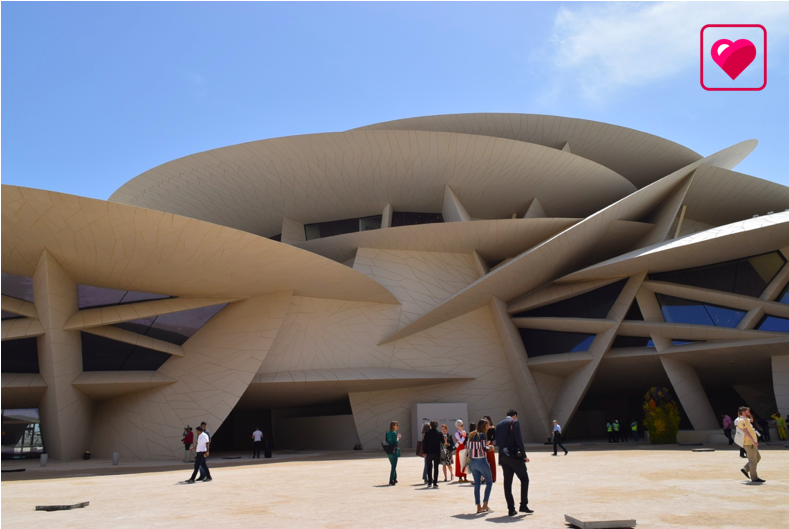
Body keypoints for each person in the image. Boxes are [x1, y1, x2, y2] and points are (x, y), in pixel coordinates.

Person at [495, 409, 532, 516]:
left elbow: (497, 442)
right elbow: (519, 440)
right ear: (515, 416)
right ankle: (523, 505)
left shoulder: (499, 424)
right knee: (524, 479)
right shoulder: (514, 422)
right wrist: (524, 456)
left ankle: (511, 509)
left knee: (507, 483)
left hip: (503, 457)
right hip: (515, 457)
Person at [467, 419, 494, 513]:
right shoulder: (482, 435)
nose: (488, 427)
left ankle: (478, 506)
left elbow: (468, 448)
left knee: (477, 484)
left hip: (473, 462)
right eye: (487, 425)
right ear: (484, 426)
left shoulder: (471, 435)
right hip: (481, 461)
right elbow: (484, 448)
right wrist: (490, 448)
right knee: (489, 483)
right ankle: (485, 504)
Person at [737, 406, 765, 483]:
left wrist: (749, 415)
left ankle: (746, 469)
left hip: (751, 443)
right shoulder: (742, 420)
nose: (749, 412)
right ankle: (754, 478)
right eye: (748, 411)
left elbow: (751, 420)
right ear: (743, 412)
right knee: (753, 460)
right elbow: (745, 431)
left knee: (758, 458)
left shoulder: (746, 419)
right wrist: (753, 440)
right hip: (749, 443)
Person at [423, 420, 443, 488]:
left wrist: (424, 452)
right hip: (436, 452)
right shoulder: (439, 433)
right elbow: (443, 441)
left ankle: (429, 482)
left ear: (430, 426)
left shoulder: (427, 433)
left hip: (429, 452)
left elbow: (424, 443)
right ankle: (435, 483)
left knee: (429, 467)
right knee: (436, 468)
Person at [386, 421, 401, 486]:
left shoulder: (388, 433)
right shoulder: (394, 433)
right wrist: (398, 438)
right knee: (394, 466)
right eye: (397, 425)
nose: (398, 427)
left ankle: (395, 478)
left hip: (389, 451)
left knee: (393, 465)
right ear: (394, 426)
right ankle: (391, 480)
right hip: (394, 451)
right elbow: (396, 442)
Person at [484, 416, 497, 483]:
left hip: (489, 444)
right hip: (483, 444)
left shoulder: (492, 428)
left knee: (491, 460)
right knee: (485, 461)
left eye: (487, 420)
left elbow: (494, 437)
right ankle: (485, 477)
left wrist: (489, 441)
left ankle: (493, 477)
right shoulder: (482, 428)